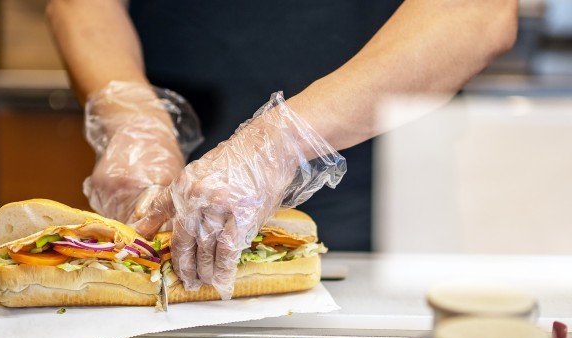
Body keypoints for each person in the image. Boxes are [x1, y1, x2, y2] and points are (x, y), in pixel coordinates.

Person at [46, 0, 518, 300]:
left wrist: (281, 141)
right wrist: (134, 120)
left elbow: (477, 11)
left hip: (383, 182)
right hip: (171, 173)